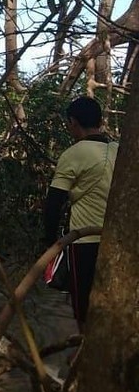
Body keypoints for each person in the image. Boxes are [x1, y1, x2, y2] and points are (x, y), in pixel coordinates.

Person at [43, 96, 117, 331]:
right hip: (118, 241)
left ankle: (84, 351)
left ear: (73, 122)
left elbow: (54, 202)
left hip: (84, 241)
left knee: (83, 300)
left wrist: (50, 243)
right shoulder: (118, 150)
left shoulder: (73, 154)